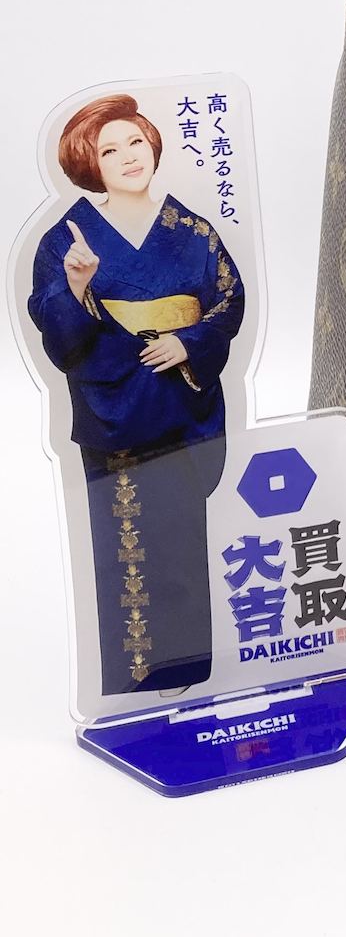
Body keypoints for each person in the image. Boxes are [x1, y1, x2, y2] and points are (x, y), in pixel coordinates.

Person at [28, 94, 245, 695]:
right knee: (125, 545)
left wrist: (188, 342)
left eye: (135, 142)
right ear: (88, 164)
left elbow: (229, 300)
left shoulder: (192, 230)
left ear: (153, 145)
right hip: (117, 405)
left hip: (181, 400)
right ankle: (135, 678)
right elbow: (54, 328)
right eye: (109, 150)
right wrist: (76, 285)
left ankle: (187, 671)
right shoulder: (66, 238)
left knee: (181, 535)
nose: (128, 157)